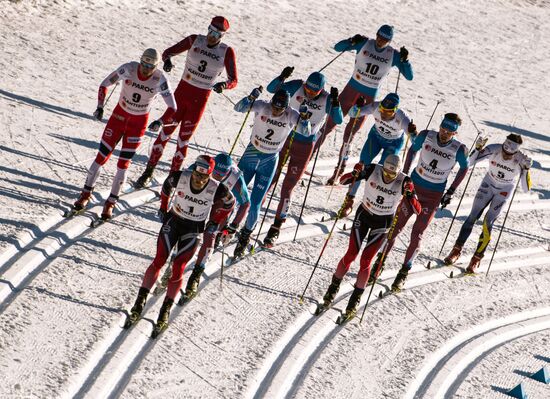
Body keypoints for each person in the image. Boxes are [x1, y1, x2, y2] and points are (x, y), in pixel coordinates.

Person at [125, 155, 235, 337]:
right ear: (193, 171)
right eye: (197, 176)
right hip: (174, 222)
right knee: (159, 260)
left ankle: (165, 311)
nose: (199, 181)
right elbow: (166, 186)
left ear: (209, 176)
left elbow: (230, 203)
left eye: (204, 178)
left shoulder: (217, 188)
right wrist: (163, 207)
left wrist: (215, 220)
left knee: (178, 267)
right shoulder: (181, 177)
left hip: (193, 229)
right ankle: (139, 302)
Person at [71, 48, 176, 220]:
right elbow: (104, 84)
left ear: (156, 66)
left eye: (150, 67)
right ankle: (85, 194)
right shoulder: (128, 68)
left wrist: (160, 121)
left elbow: (173, 107)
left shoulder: (160, 78)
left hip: (138, 124)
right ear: (140, 61)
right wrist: (100, 106)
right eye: (143, 65)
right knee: (101, 157)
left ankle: (111, 202)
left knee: (123, 164)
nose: (145, 70)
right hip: (118, 118)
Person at [135, 16, 238, 187]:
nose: (212, 36)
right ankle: (148, 172)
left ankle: (173, 177)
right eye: (211, 31)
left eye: (217, 34)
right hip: (181, 96)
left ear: (223, 36)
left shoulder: (226, 51)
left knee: (183, 140)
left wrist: (224, 85)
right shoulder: (194, 40)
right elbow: (167, 52)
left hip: (199, 102)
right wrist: (168, 61)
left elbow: (234, 80)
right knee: (164, 134)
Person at [318, 155, 421, 320]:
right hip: (364, 215)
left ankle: (355, 299)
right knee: (351, 254)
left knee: (366, 261)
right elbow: (343, 181)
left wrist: (409, 195)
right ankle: (332, 289)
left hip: (383, 221)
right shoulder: (373, 169)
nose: (387, 176)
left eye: (391, 175)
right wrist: (355, 173)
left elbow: (418, 210)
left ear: (398, 172)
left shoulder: (404, 180)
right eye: (386, 172)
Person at [380, 113, 470, 292]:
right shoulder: (426, 135)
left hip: (433, 195)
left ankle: (403, 272)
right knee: (395, 226)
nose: (444, 134)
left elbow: (464, 168)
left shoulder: (459, 149)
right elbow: (413, 149)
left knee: (417, 233)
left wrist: (451, 191)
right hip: (413, 188)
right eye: (443, 129)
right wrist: (404, 174)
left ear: (455, 134)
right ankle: (379, 263)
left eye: (449, 132)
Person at [316, 24, 414, 184]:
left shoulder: (393, 55)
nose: (381, 41)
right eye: (379, 36)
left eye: (385, 39)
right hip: (350, 91)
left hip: (367, 99)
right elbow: (337, 47)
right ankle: (307, 155)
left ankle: (338, 171)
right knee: (327, 126)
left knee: (349, 135)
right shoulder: (365, 43)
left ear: (390, 41)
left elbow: (409, 76)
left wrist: (405, 61)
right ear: (376, 34)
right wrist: (351, 40)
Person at [261, 67, 344, 247]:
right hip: (283, 138)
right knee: (270, 177)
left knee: (288, 187)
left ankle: (276, 227)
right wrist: (282, 77)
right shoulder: (298, 86)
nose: (309, 92)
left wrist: (336, 103)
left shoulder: (326, 99)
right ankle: (250, 217)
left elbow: (338, 120)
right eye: (308, 88)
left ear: (321, 90)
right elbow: (271, 89)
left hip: (304, 146)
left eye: (314, 91)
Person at [231, 88, 311, 258]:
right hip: (251, 155)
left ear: (286, 107)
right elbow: (238, 108)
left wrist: (304, 117)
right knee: (234, 193)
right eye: (275, 107)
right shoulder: (262, 106)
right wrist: (250, 97)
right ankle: (228, 225)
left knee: (255, 202)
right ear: (272, 102)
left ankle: (245, 235)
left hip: (269, 162)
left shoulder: (291, 114)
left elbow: (306, 132)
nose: (276, 111)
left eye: (280, 109)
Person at [443, 133, 532, 273]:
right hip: (488, 183)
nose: (506, 156)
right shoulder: (494, 149)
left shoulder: (521, 159)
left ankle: (476, 259)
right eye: (505, 151)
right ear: (502, 146)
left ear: (516, 151)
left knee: (488, 223)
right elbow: (470, 162)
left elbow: (526, 189)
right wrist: (478, 149)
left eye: (510, 154)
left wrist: (526, 170)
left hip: (505, 189)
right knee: (472, 217)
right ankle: (456, 251)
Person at [179, 152, 251, 301]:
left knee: (210, 236)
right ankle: (176, 262)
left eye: (222, 175)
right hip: (201, 200)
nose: (218, 177)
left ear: (229, 171)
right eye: (216, 174)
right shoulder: (204, 166)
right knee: (188, 232)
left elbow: (246, 203)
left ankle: (196, 275)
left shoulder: (236, 177)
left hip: (220, 205)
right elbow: (183, 179)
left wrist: (233, 227)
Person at [338, 92, 417, 217]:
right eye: (382, 110)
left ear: (395, 111)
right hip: (375, 138)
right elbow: (353, 114)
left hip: (393, 144)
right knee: (362, 165)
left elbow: (415, 143)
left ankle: (376, 206)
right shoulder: (375, 107)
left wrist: (413, 133)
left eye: (388, 112)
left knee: (382, 174)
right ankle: (349, 200)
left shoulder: (402, 118)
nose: (384, 114)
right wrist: (357, 107)